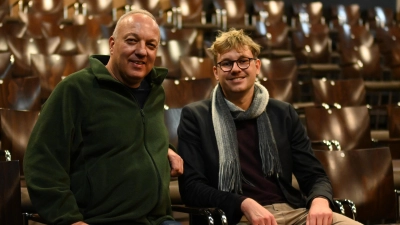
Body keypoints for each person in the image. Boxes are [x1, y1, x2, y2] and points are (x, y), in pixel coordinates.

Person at [177, 29, 362, 225]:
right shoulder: (195, 117)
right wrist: (243, 203)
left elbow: (314, 175)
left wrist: (320, 200)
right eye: (226, 63)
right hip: (235, 216)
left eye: (243, 60)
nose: (236, 69)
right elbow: (191, 188)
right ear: (216, 72)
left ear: (257, 66)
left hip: (292, 212)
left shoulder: (283, 113)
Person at [23, 9, 183, 225]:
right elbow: (42, 162)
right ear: (112, 44)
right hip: (102, 220)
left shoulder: (155, 91)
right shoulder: (75, 90)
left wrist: (165, 148)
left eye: (151, 45)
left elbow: (133, 131)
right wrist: (69, 219)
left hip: (158, 219)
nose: (142, 51)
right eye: (132, 41)